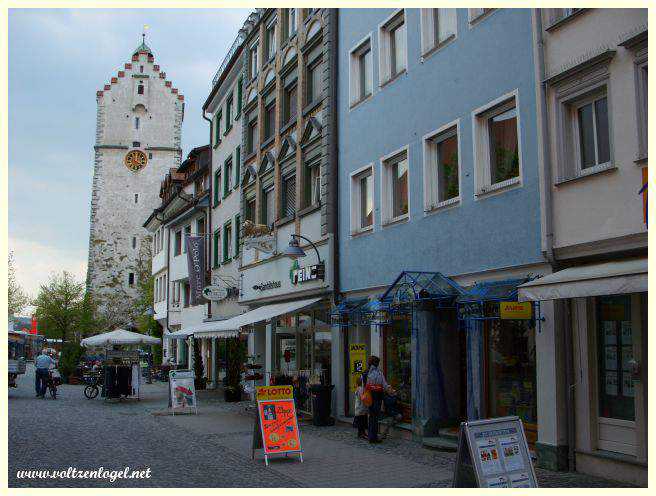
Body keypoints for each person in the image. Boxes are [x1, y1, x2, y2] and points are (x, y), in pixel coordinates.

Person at [363, 355, 393, 443]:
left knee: (371, 416)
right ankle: (373, 437)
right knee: (375, 417)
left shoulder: (366, 372)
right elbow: (383, 384)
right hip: (376, 396)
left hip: (369, 396)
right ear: (375, 363)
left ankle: (371, 436)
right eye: (378, 362)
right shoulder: (377, 373)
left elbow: (364, 385)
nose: (378, 364)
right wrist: (389, 389)